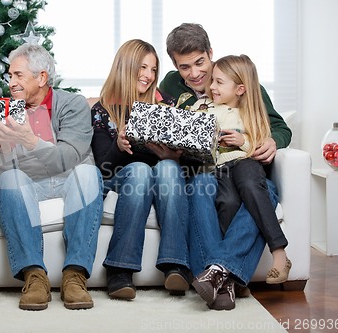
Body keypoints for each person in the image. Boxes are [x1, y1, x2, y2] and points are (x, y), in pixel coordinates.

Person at [159, 23, 292, 310]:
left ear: (211, 53)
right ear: (174, 66)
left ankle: (219, 275)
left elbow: (280, 128)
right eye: (184, 67)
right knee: (202, 185)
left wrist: (271, 141)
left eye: (200, 63)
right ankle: (227, 278)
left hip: (245, 167)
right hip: (203, 171)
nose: (194, 74)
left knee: (261, 191)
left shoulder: (238, 80)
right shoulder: (170, 86)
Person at [0, 44, 103, 311]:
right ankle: (34, 276)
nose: (11, 82)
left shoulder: (72, 103)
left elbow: (70, 157)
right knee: (11, 179)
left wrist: (29, 140)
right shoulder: (6, 110)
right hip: (29, 184)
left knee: (88, 173)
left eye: (18, 75)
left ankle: (75, 275)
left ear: (41, 77)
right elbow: (4, 167)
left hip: (69, 178)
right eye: (10, 76)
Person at [91, 39, 192, 300]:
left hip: (161, 175)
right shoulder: (103, 110)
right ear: (126, 67)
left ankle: (176, 265)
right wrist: (119, 145)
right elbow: (103, 167)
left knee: (169, 168)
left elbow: (185, 159)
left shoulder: (167, 104)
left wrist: (172, 155)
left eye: (153, 69)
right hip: (122, 177)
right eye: (142, 68)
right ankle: (119, 269)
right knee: (139, 170)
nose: (148, 75)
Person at [189, 54, 291, 284]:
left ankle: (279, 252)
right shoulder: (202, 107)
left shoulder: (251, 111)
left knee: (249, 182)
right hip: (218, 170)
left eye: (218, 82)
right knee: (228, 203)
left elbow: (262, 140)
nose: (211, 86)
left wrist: (242, 141)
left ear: (240, 89)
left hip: (245, 163)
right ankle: (228, 279)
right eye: (212, 80)